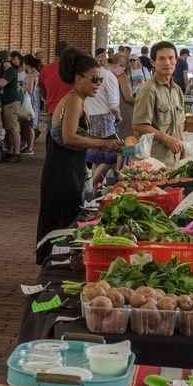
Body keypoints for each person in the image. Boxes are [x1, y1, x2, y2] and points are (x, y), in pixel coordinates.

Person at [36, 48, 122, 247]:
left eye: (100, 80)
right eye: (94, 80)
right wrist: (103, 143)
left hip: (70, 167)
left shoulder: (79, 100)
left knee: (66, 216)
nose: (98, 85)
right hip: (62, 170)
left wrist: (107, 140)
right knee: (62, 219)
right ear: (78, 78)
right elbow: (69, 137)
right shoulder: (74, 99)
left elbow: (77, 134)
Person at [132, 41, 186, 169]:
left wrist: (183, 146)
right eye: (162, 58)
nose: (167, 62)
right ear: (153, 62)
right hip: (153, 161)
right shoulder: (148, 89)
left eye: (171, 58)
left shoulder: (176, 90)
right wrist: (167, 139)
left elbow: (179, 123)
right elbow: (139, 125)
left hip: (173, 161)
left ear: (176, 61)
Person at [84, 56, 122, 185]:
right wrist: (119, 117)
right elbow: (113, 105)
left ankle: (94, 190)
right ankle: (91, 185)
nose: (121, 72)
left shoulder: (91, 75)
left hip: (90, 116)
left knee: (97, 158)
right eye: (121, 68)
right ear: (116, 65)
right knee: (111, 157)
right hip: (104, 118)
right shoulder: (109, 76)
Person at [0, 50, 22, 161]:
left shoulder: (11, 71)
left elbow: (2, 83)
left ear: (3, 61)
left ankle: (17, 153)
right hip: (6, 103)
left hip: (11, 103)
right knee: (7, 128)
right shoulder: (4, 71)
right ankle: (10, 150)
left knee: (12, 128)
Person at [39, 40, 70, 120]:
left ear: (55, 53)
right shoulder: (74, 69)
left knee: (53, 132)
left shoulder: (46, 69)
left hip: (53, 110)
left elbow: (42, 90)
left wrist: (49, 98)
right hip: (71, 110)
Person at [23, 53, 42, 145]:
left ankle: (29, 147)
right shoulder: (37, 73)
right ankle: (28, 145)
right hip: (36, 100)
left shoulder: (31, 75)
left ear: (26, 64)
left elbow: (29, 90)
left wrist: (20, 88)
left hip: (30, 101)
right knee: (30, 124)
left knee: (29, 125)